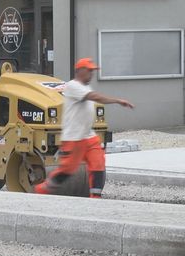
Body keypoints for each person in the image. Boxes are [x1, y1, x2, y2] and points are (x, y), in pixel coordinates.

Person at [35, 58, 134, 198]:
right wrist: (117, 100)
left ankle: (95, 198)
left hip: (88, 135)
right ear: (80, 71)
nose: (92, 74)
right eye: (89, 71)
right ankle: (42, 190)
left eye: (93, 71)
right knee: (68, 170)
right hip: (74, 138)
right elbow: (94, 97)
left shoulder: (85, 87)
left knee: (98, 163)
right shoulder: (72, 86)